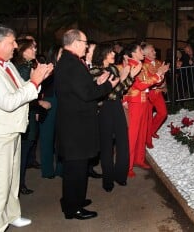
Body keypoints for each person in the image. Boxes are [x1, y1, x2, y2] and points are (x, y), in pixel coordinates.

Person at [54, 29, 119, 220]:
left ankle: (72, 200)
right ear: (75, 43)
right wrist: (107, 86)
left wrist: (97, 81)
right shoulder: (72, 64)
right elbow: (87, 94)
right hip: (76, 128)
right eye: (84, 42)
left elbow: (80, 89)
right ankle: (72, 209)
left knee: (76, 168)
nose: (87, 45)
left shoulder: (69, 61)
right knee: (76, 170)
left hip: (74, 125)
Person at [0, 25, 53, 231]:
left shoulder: (8, 65)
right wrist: (35, 82)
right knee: (0, 185)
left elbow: (24, 88)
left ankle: (11, 215)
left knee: (12, 180)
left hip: (13, 130)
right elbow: (9, 102)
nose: (15, 46)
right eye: (11, 42)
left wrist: (39, 79)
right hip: (0, 134)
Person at [91, 43, 141, 192]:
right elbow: (108, 93)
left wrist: (128, 76)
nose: (114, 54)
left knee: (123, 142)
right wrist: (129, 75)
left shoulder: (113, 69)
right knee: (106, 146)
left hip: (117, 107)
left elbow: (120, 89)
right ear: (103, 54)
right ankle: (108, 180)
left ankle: (121, 176)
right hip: (104, 109)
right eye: (110, 53)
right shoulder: (94, 71)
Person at [123, 42, 169, 178]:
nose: (142, 53)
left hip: (143, 102)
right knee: (132, 136)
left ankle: (139, 159)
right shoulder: (131, 65)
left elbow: (151, 81)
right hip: (135, 104)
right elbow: (140, 85)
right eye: (139, 50)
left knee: (142, 133)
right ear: (133, 53)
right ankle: (128, 166)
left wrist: (161, 75)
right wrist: (158, 75)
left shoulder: (140, 65)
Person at [12, 39, 51, 195]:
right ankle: (19, 184)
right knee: (22, 151)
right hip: (24, 114)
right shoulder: (22, 67)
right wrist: (39, 104)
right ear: (24, 51)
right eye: (32, 48)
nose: (35, 50)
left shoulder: (25, 66)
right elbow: (24, 92)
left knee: (24, 150)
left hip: (28, 112)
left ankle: (19, 184)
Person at [39, 45, 63, 179]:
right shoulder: (46, 68)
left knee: (61, 138)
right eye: (61, 53)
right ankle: (47, 170)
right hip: (48, 103)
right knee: (47, 138)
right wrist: (38, 106)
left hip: (62, 103)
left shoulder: (65, 68)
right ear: (54, 54)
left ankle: (60, 169)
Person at [142, 43, 169, 148]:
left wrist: (164, 86)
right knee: (147, 118)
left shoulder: (159, 62)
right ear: (146, 54)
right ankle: (147, 138)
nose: (155, 52)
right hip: (147, 94)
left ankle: (151, 131)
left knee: (163, 113)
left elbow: (163, 76)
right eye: (152, 51)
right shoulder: (142, 65)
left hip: (157, 93)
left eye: (154, 50)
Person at [84, 40, 103, 179]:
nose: (96, 53)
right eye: (93, 50)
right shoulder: (82, 66)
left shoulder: (95, 66)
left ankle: (89, 168)